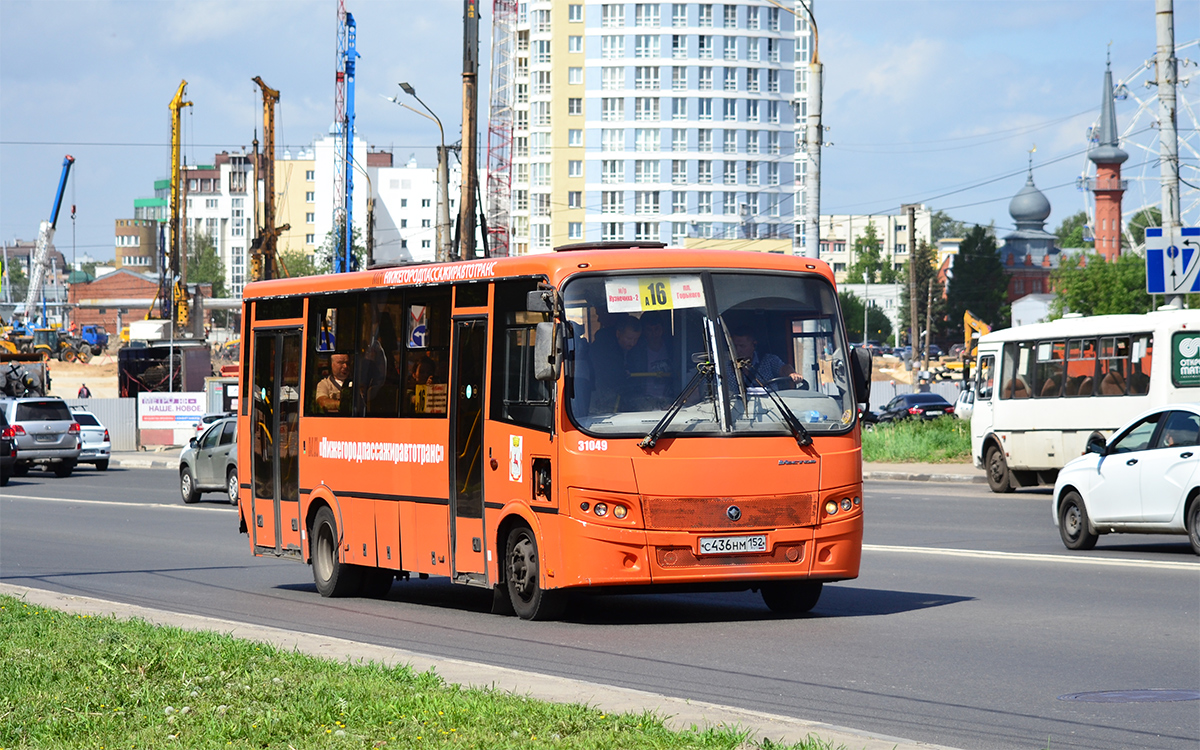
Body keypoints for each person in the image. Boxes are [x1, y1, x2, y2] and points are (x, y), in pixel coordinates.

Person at [589, 315, 642, 412]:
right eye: (629, 338)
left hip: (627, 398)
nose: (632, 343)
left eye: (636, 339)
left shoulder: (638, 350)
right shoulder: (603, 350)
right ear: (618, 334)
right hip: (603, 400)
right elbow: (608, 377)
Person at [729, 328, 802, 387]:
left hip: (771, 404)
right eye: (735, 346)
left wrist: (792, 374)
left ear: (754, 345)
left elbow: (784, 368)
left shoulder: (769, 360)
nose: (738, 350)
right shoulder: (726, 366)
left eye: (742, 346)